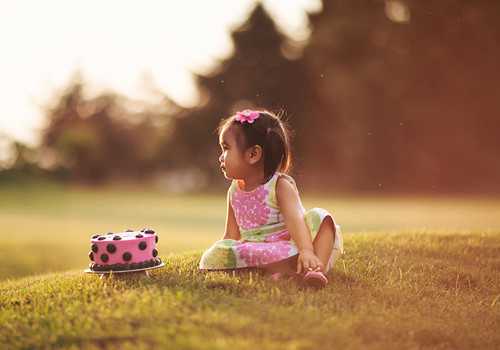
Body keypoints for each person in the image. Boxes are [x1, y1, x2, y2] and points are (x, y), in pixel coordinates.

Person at [199, 109, 344, 288]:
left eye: (226, 148)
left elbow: (296, 221)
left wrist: (306, 250)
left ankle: (313, 269)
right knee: (217, 251)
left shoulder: (279, 186)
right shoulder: (234, 191)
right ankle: (279, 272)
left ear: (253, 155)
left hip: (291, 246)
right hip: (256, 250)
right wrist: (221, 256)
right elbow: (231, 235)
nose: (221, 157)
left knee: (322, 218)